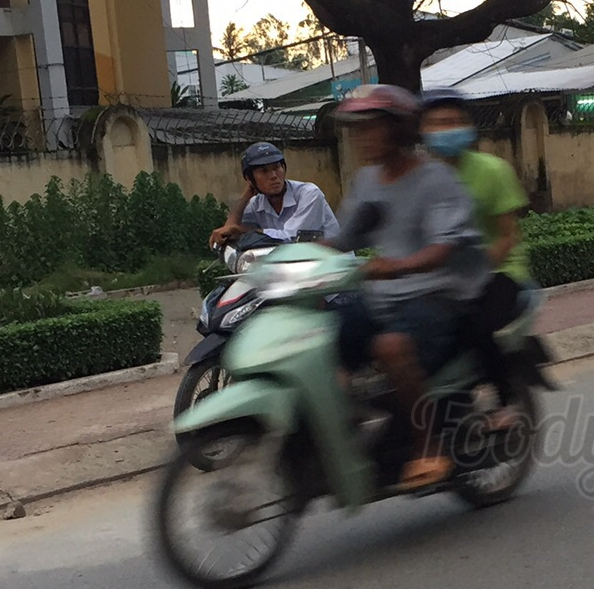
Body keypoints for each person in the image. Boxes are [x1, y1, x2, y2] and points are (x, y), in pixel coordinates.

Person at [328, 84, 487, 492]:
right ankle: (341, 433)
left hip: (438, 296)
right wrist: (287, 257)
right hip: (384, 297)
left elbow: (443, 248)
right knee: (327, 334)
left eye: (371, 127)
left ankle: (428, 447)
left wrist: (397, 266)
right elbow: (345, 238)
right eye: (356, 129)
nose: (361, 137)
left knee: (391, 347)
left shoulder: (436, 179)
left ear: (398, 129)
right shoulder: (367, 181)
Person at [419, 90, 531, 427]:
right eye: (438, 123)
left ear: (468, 126)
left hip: (499, 272)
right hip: (441, 275)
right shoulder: (418, 179)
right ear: (423, 130)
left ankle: (504, 401)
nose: (447, 129)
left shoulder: (493, 170)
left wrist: (474, 271)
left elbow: (508, 236)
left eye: (454, 121)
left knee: (475, 326)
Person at [209, 141, 340, 248]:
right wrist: (244, 198)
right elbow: (230, 233)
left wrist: (243, 231)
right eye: (264, 171)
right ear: (249, 178)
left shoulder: (309, 194)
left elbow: (292, 237)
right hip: (290, 265)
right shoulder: (256, 204)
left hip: (332, 262)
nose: (273, 176)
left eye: (277, 167)